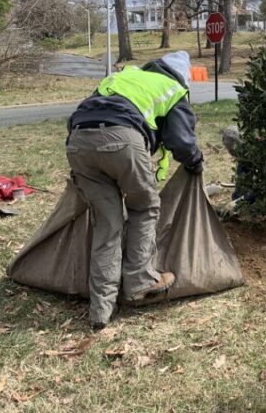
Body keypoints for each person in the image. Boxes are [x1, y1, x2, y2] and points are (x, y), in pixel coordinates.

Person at [66, 51, 204, 330]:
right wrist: (195, 162)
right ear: (182, 78)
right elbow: (181, 141)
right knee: (144, 206)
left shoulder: (125, 76)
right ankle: (139, 281)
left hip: (78, 142)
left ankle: (101, 310)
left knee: (108, 223)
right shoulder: (173, 89)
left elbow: (87, 109)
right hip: (122, 138)